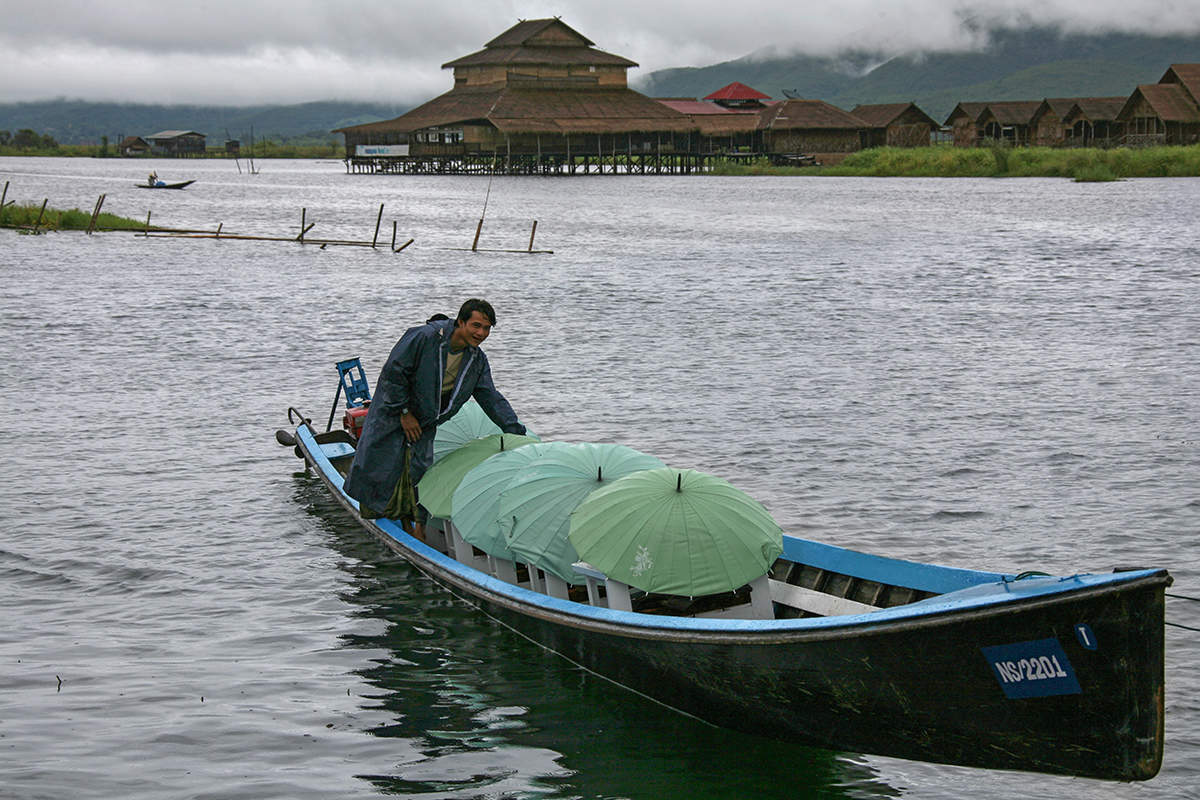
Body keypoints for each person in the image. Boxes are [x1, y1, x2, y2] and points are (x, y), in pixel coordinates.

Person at [343, 299, 526, 541]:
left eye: (487, 328)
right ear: (460, 321)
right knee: (382, 467)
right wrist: (404, 413)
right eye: (476, 325)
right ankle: (383, 519)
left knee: (420, 472)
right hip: (393, 413)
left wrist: (516, 432)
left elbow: (490, 397)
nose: (481, 333)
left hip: (426, 422)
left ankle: (416, 527)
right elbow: (393, 374)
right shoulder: (424, 338)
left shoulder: (476, 360)